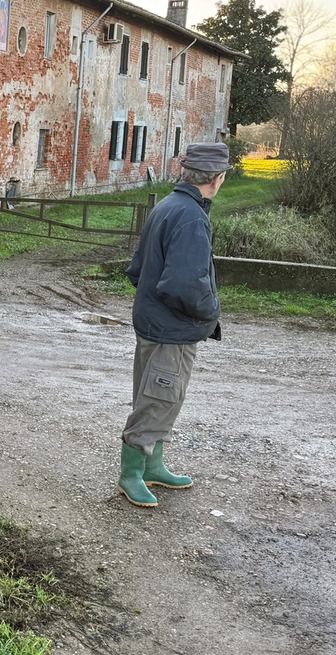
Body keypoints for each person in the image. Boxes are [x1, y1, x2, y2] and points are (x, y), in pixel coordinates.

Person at [116, 142, 230, 508]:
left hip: (155, 323)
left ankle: (153, 465)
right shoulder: (191, 216)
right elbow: (185, 284)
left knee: (157, 396)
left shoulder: (167, 205)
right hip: (171, 330)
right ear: (217, 178)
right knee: (158, 398)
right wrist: (210, 311)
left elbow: (137, 269)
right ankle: (131, 474)